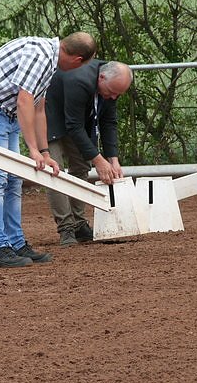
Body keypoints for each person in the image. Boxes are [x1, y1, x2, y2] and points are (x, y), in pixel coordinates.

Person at [0, 32, 97, 268]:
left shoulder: (48, 61)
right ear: (77, 60)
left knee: (14, 179)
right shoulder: (40, 54)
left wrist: (44, 152)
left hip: (4, 114)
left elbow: (38, 109)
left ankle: (14, 242)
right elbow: (24, 100)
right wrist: (32, 149)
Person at [45, 60, 133, 246]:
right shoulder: (80, 80)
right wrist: (99, 160)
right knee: (53, 169)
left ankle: (79, 224)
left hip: (75, 121)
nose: (113, 97)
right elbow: (74, 125)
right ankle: (66, 228)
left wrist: (113, 159)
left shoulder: (111, 88)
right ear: (101, 78)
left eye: (118, 94)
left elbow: (109, 122)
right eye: (111, 92)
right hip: (50, 118)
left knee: (81, 166)